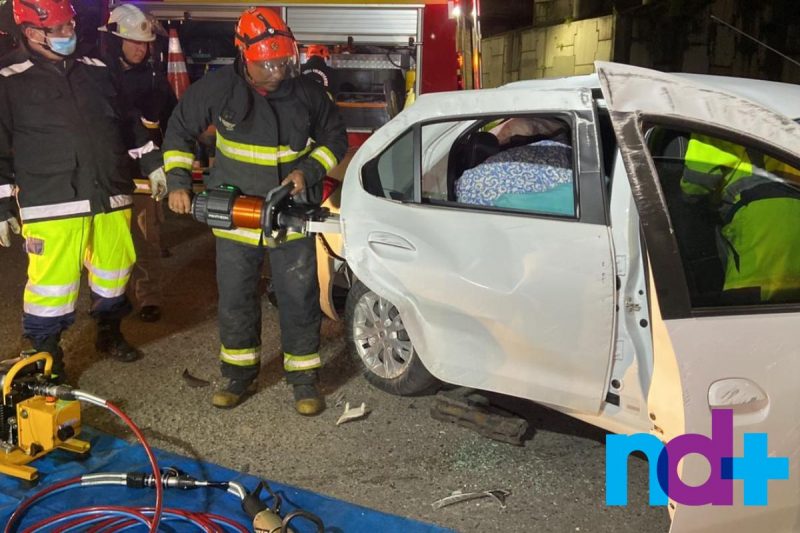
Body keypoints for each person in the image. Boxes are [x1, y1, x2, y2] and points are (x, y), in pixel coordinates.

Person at [163, 7, 347, 414]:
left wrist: (308, 170)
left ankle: (304, 380)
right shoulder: (217, 89)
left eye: (282, 61)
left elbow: (336, 138)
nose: (277, 71)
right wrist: (178, 183)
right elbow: (178, 131)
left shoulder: (308, 93)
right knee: (235, 299)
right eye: (267, 64)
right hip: (236, 215)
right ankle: (238, 375)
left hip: (291, 215)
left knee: (299, 296)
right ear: (244, 55)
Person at [0, 0, 157, 380]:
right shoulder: (8, 79)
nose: (70, 35)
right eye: (60, 30)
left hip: (110, 193)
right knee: (51, 287)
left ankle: (109, 333)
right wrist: (3, 204)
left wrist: (153, 162)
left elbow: (127, 120)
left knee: (114, 271)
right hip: (51, 201)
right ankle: (45, 358)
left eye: (71, 26)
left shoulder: (98, 70)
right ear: (32, 33)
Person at [99, 3, 174, 323]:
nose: (140, 49)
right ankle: (108, 300)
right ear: (115, 40)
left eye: (144, 43)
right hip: (108, 171)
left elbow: (171, 118)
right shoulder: (95, 76)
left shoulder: (155, 79)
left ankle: (149, 297)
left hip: (144, 172)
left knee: (147, 237)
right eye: (133, 42)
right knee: (108, 242)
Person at [680, 134, 800, 303]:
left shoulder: (712, 121)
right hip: (794, 212)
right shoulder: (776, 118)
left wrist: (684, 196)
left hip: (759, 218)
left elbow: (696, 183)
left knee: (747, 305)